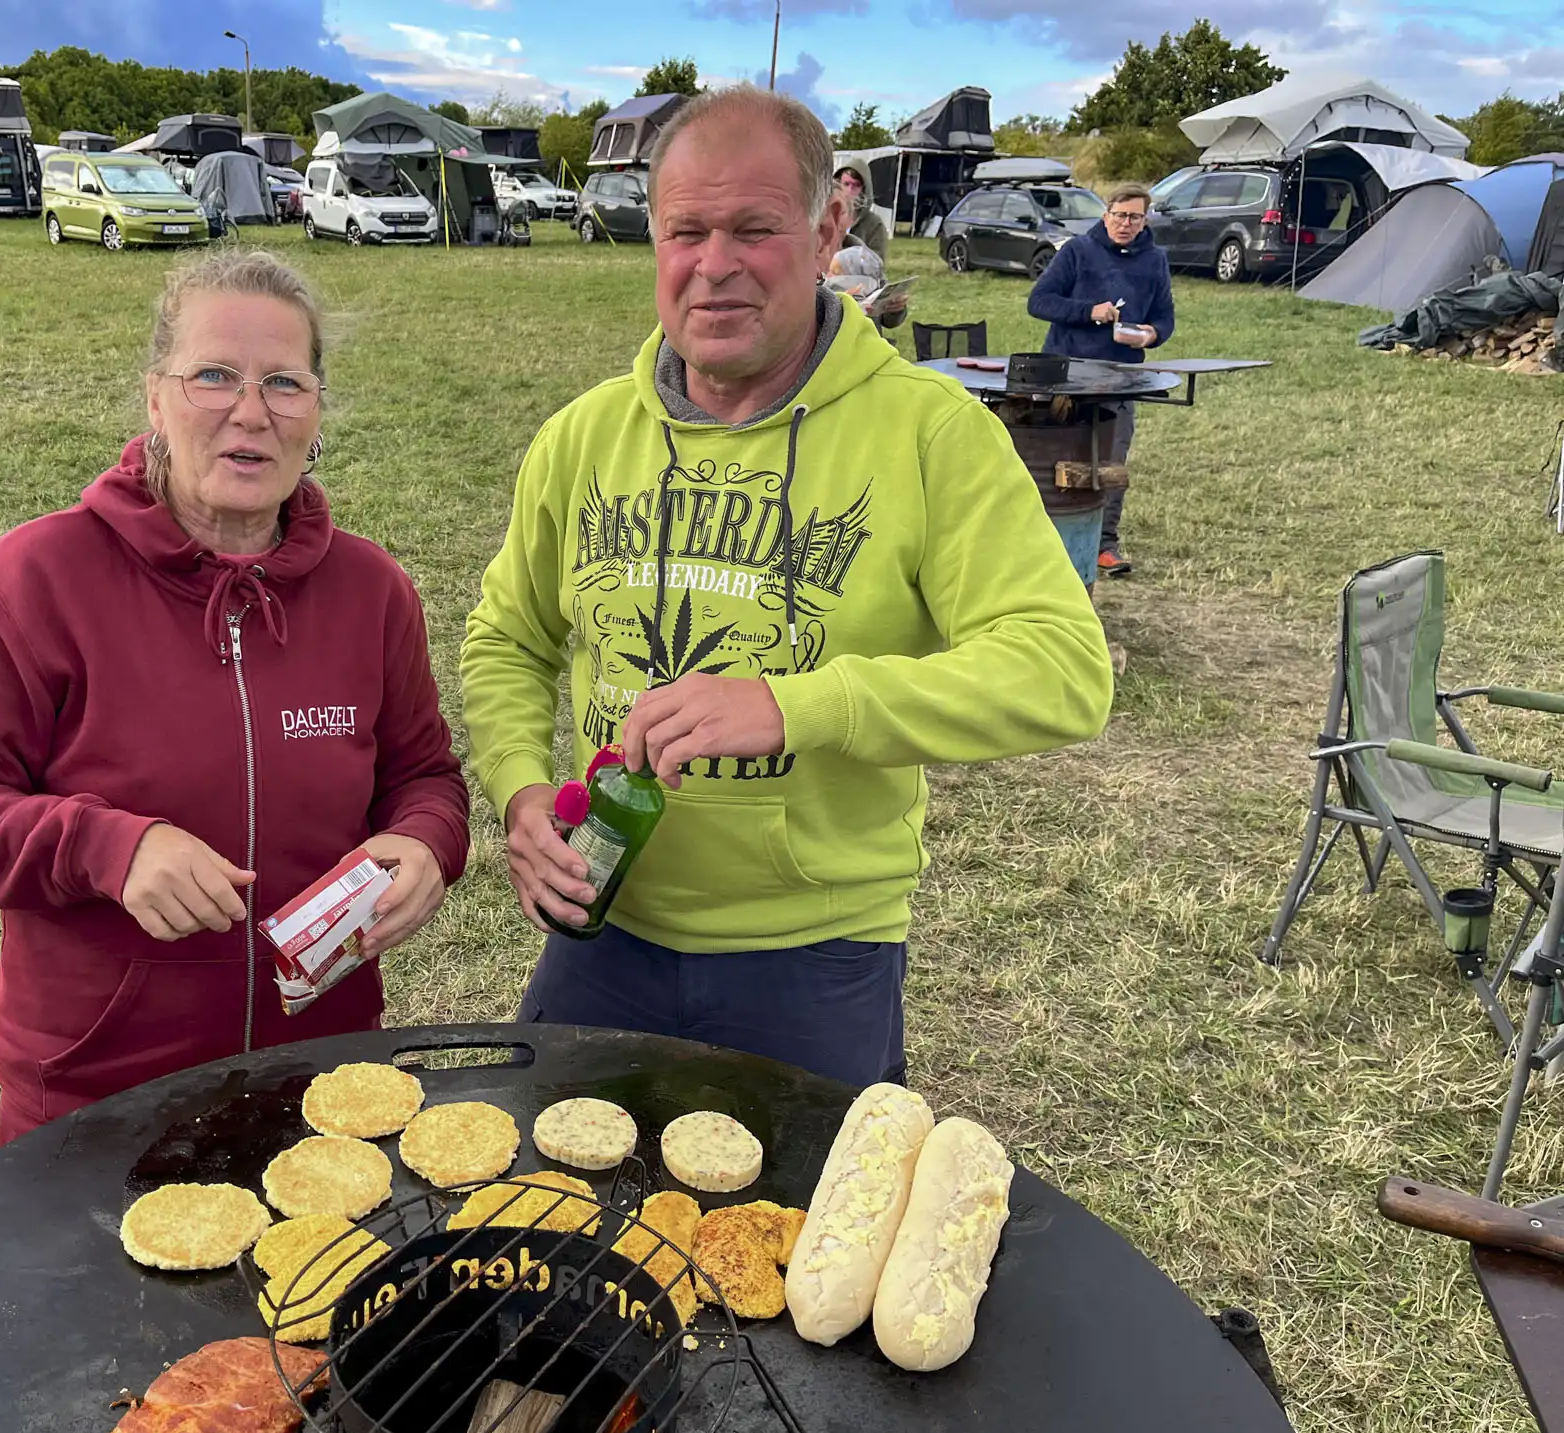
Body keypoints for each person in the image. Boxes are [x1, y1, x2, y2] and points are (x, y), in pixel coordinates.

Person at [461, 87, 1113, 1087]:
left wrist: (797, 705)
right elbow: (509, 636)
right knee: (547, 1181)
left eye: (753, 229)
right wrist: (518, 791)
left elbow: (1061, 672)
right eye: (686, 232)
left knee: (807, 1198)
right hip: (604, 925)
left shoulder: (929, 434)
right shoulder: (580, 437)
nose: (714, 264)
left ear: (826, 231)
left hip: (815, 952)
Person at [0, 249, 470, 1145]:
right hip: (99, 1097)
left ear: (316, 413)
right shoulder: (34, 581)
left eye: (285, 383)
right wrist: (107, 848)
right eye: (214, 376)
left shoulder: (372, 592)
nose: (251, 412)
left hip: (324, 1082)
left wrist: (426, 842)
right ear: (155, 399)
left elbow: (425, 776)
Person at [1026, 182, 1175, 579]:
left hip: (1120, 377)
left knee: (1111, 462)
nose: (1126, 224)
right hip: (1067, 373)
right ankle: (1041, 540)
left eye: (1135, 217)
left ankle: (1103, 545)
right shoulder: (1077, 251)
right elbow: (1039, 302)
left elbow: (1165, 318)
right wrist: (1089, 311)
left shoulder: (1155, 261)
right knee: (1056, 458)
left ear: (1146, 220)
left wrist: (1150, 335)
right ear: (1106, 214)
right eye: (1120, 215)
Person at [825, 163, 907, 329]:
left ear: (851, 219)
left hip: (867, 341)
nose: (835, 219)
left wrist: (895, 308)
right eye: (829, 211)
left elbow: (889, 320)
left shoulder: (868, 261)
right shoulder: (803, 263)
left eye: (841, 212)